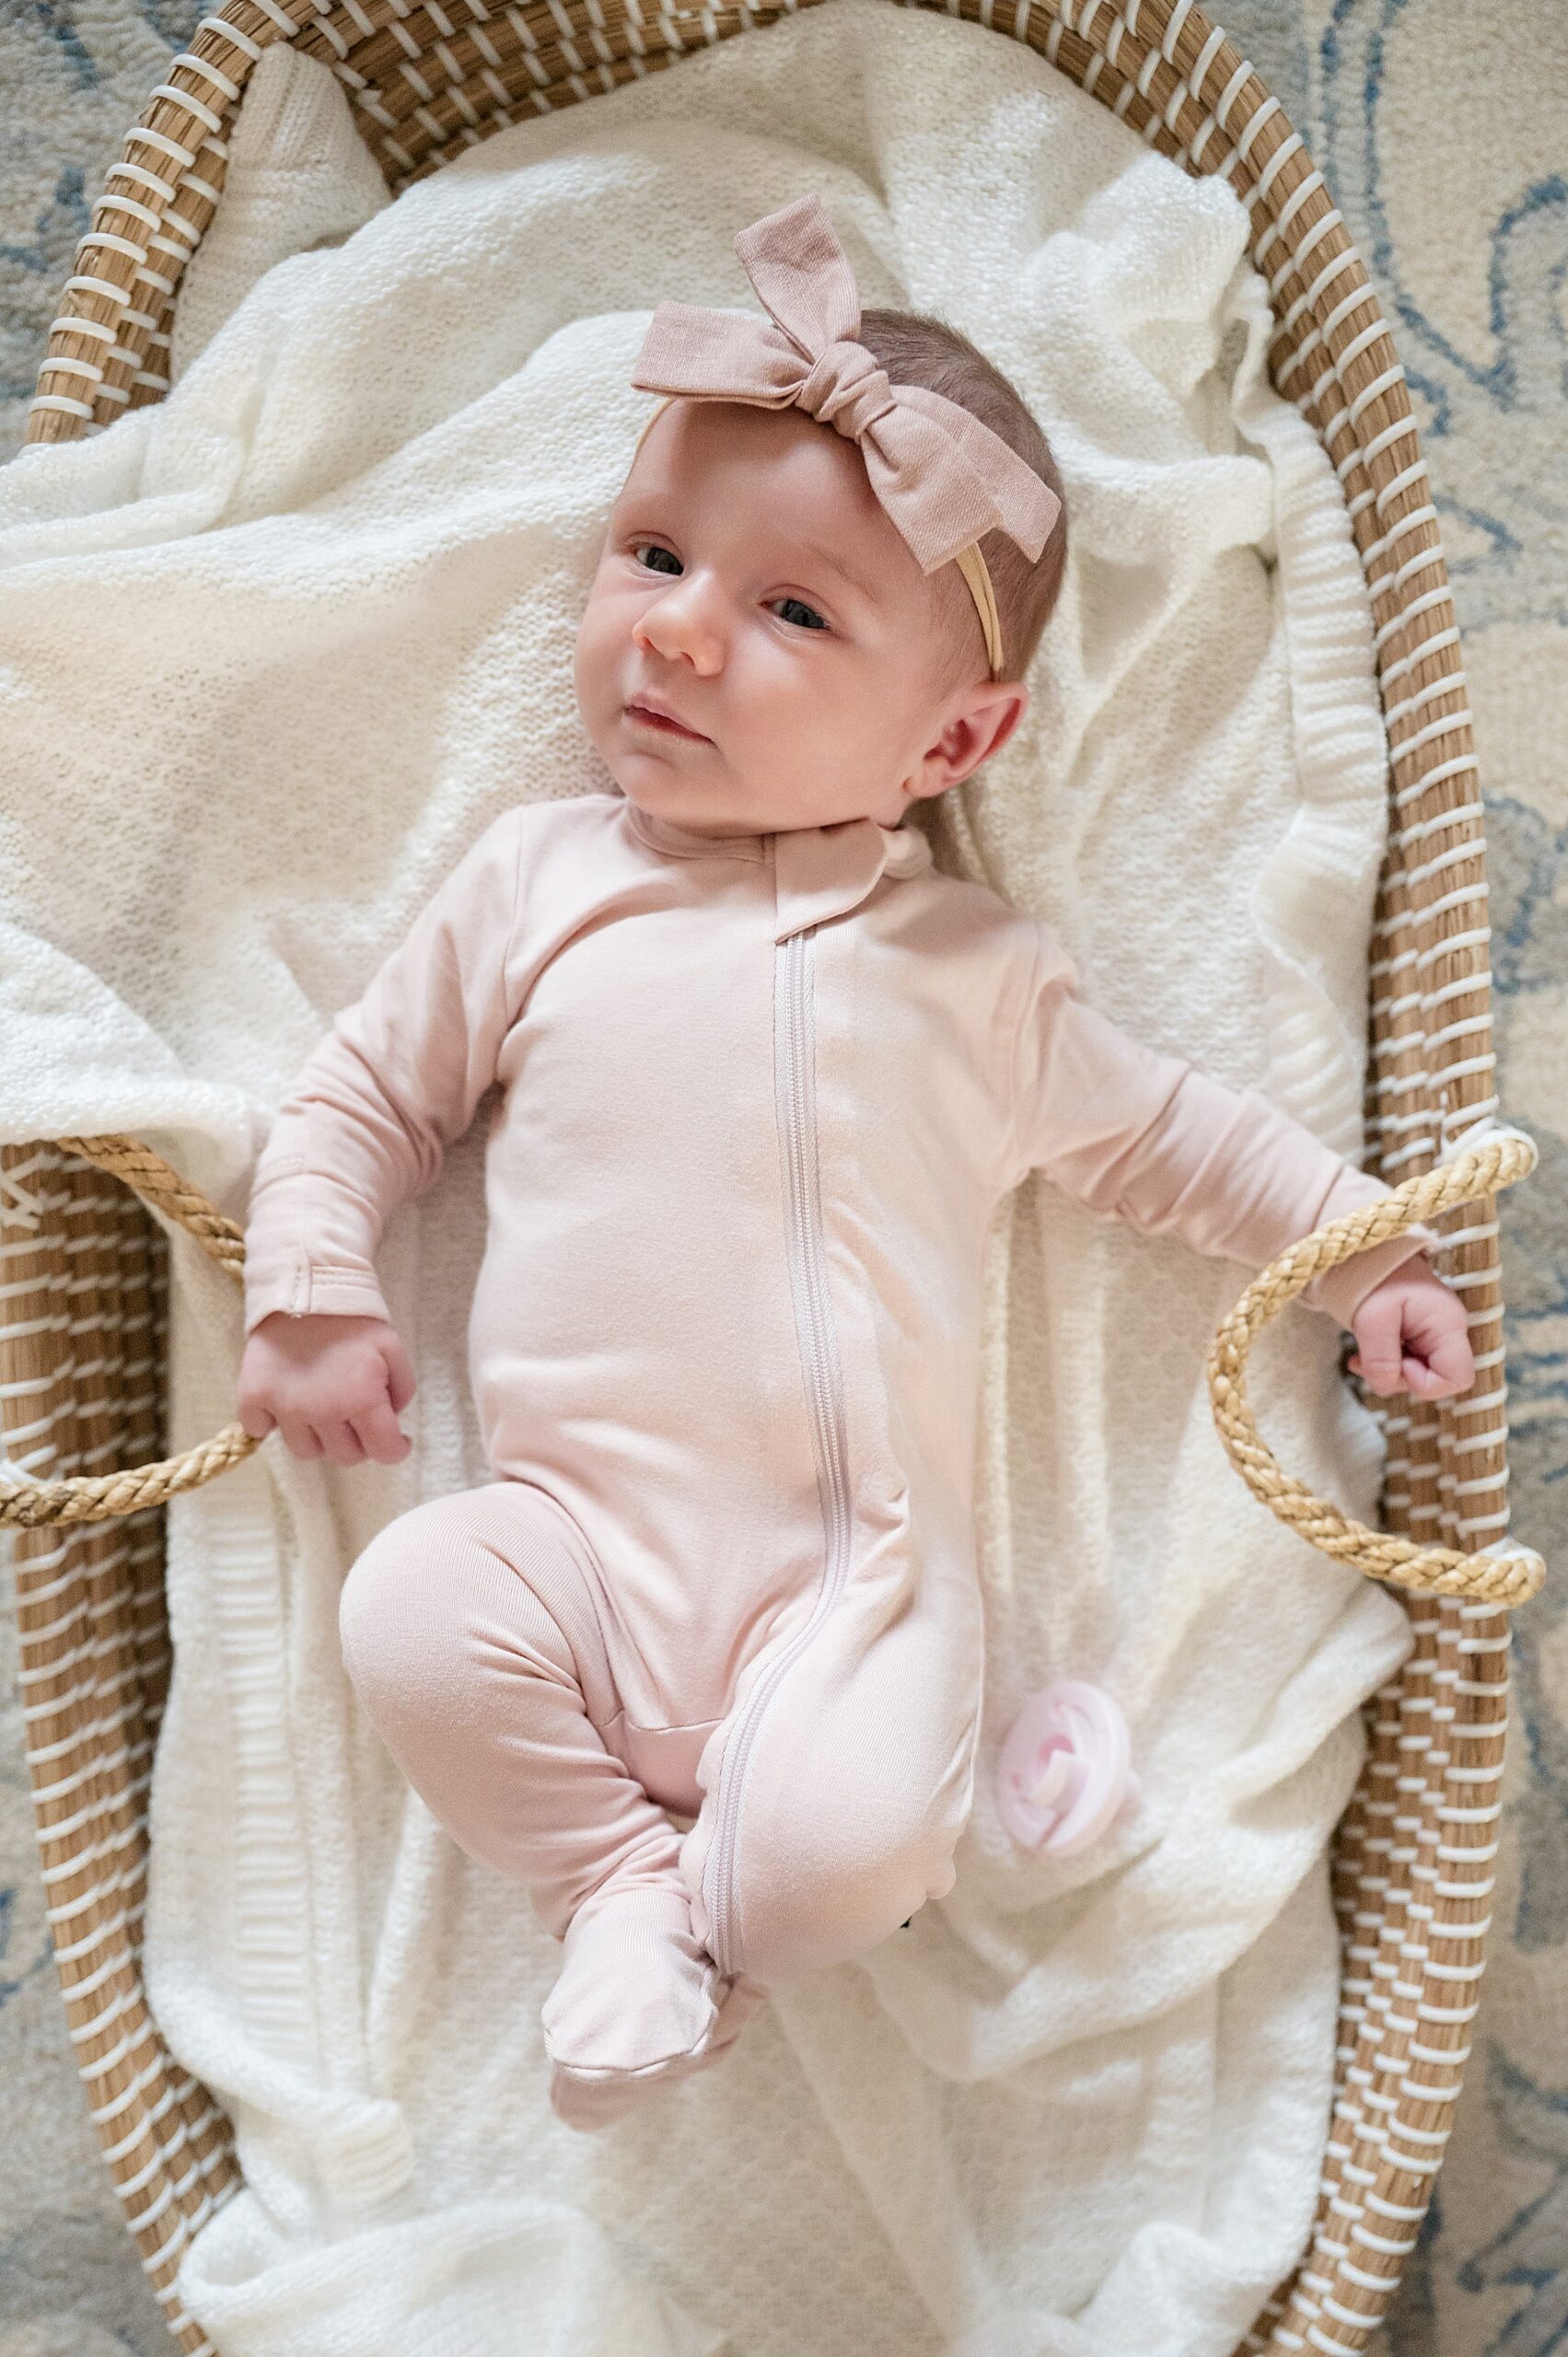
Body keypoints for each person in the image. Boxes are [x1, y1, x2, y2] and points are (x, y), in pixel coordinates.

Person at [236, 194, 1471, 2131]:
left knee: (840, 1875)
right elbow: (360, 1095)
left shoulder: (972, 979)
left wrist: (1358, 1252)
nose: (677, 624)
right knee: (404, 1603)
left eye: (794, 609)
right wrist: (308, 1281)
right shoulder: (539, 887)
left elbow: (1177, 1140)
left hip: (854, 1596)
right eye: (652, 553)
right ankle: (612, 1885)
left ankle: (760, 1880)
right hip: (565, 1549)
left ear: (954, 735)